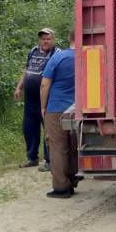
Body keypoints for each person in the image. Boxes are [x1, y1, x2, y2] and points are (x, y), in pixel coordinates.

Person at [14, 28, 57, 170]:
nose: (45, 41)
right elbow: (27, 70)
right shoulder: (33, 51)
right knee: (29, 128)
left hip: (46, 97)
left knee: (48, 129)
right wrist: (19, 87)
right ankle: (32, 157)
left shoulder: (56, 53)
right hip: (30, 98)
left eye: (48, 38)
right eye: (43, 38)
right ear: (40, 40)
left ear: (53, 40)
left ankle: (49, 160)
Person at [41, 43, 78, 198]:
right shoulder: (87, 56)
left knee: (57, 146)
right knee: (73, 145)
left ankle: (61, 187)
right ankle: (73, 178)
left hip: (57, 108)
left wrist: (43, 107)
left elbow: (44, 84)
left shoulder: (59, 56)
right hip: (78, 108)